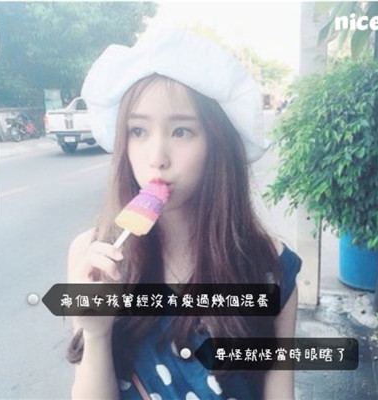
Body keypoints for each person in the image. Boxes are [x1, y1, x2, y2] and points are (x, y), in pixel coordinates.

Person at [66, 26, 301, 400]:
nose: (156, 157)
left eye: (181, 132)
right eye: (138, 130)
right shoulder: (93, 258)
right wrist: (96, 333)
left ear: (217, 145)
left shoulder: (269, 266)